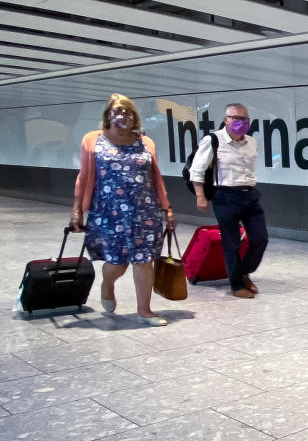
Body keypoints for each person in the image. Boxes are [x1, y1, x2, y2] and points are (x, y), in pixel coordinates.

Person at [69, 94, 177, 326]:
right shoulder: (92, 140)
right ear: (107, 115)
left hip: (144, 211)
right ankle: (107, 285)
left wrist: (166, 208)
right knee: (117, 262)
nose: (123, 115)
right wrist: (77, 210)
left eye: (128, 111)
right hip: (109, 212)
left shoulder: (145, 142)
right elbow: (84, 177)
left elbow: (156, 178)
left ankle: (144, 310)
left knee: (144, 260)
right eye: (118, 110)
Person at [188, 103, 268, 298]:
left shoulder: (251, 141)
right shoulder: (213, 140)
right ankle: (236, 285)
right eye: (236, 118)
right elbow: (196, 170)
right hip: (225, 196)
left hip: (250, 194)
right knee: (231, 244)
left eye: (245, 119)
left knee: (260, 238)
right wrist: (201, 196)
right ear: (226, 120)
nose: (241, 122)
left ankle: (243, 271)